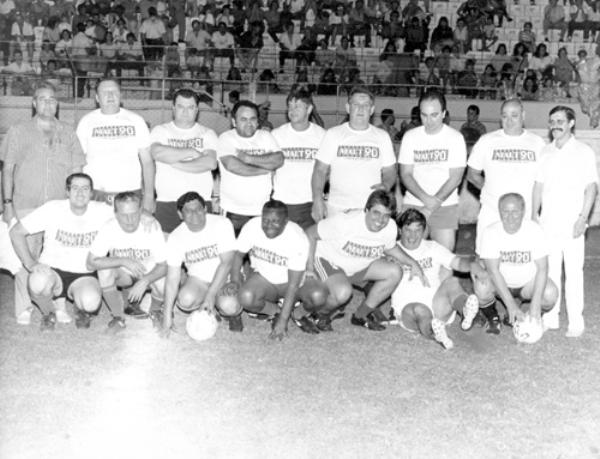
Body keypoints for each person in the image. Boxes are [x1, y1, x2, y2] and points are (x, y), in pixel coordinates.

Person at [1, 81, 86, 325]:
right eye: (43, 99)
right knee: (25, 256)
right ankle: (24, 307)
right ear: (34, 102)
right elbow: (7, 170)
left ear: (57, 104)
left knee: (59, 255)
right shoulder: (18, 130)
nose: (48, 103)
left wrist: (76, 206)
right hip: (25, 204)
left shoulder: (69, 132)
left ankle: (58, 305)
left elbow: (77, 170)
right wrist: (7, 203)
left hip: (60, 206)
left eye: (52, 100)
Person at [304, 190, 427, 332]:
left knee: (394, 272)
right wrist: (309, 269)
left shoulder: (390, 227)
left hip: (358, 264)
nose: (380, 220)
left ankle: (360, 316)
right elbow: (310, 233)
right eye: (376, 213)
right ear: (366, 210)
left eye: (386, 215)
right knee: (343, 293)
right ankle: (313, 314)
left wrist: (413, 263)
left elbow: (390, 248)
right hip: (330, 260)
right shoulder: (345, 222)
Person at [9, 173, 113, 330]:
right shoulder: (53, 208)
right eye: (75, 188)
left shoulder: (103, 211)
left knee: (90, 302)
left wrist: (146, 217)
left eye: (85, 189)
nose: (80, 193)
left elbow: (129, 216)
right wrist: (30, 263)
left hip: (84, 273)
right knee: (37, 282)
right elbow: (16, 232)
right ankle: (48, 311)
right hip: (53, 270)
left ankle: (81, 308)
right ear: (67, 191)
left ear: (92, 193)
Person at [532, 106, 598, 337]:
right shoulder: (545, 152)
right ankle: (551, 317)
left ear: (571, 123)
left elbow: (591, 188)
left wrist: (583, 218)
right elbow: (538, 186)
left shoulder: (584, 151)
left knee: (573, 273)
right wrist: (534, 215)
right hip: (548, 223)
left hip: (573, 224)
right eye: (552, 121)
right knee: (549, 272)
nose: (555, 125)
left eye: (560, 120)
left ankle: (576, 321)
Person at [391, 208, 488, 349]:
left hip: (437, 304)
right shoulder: (392, 250)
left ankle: (465, 310)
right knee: (419, 310)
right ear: (400, 231)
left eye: (418, 230)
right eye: (408, 230)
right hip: (407, 307)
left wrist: (473, 265)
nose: (413, 235)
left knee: (452, 281)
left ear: (424, 231)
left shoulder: (432, 247)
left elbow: (457, 262)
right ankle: (436, 334)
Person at [467, 99, 546, 253]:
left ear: (523, 115)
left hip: (525, 214)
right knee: (485, 260)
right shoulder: (486, 141)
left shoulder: (537, 143)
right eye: (505, 116)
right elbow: (472, 175)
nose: (509, 121)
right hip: (492, 212)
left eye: (514, 116)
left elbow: (543, 180)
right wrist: (490, 191)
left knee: (523, 261)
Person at [232, 200, 319, 340]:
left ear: (286, 221)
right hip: (265, 279)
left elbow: (293, 285)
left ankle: (297, 313)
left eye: (275, 221)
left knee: (317, 295)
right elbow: (237, 255)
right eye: (265, 220)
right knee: (246, 297)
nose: (268, 226)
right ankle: (275, 311)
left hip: (290, 284)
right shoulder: (252, 226)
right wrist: (235, 281)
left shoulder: (296, 237)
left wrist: (283, 322)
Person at [311, 86, 396, 221]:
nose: (361, 109)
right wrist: (317, 200)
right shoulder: (333, 134)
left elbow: (390, 170)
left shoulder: (382, 136)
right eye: (356, 104)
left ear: (372, 110)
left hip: (369, 210)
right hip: (337, 208)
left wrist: (386, 185)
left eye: (366, 105)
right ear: (347, 107)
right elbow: (319, 170)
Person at [87, 191, 167, 333]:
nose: (130, 220)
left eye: (134, 214)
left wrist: (145, 281)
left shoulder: (151, 226)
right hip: (124, 275)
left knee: (165, 279)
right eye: (124, 215)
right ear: (116, 214)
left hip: (148, 272)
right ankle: (118, 317)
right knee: (104, 269)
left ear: (141, 211)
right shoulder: (109, 227)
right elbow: (91, 262)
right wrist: (124, 261)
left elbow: (164, 265)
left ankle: (155, 310)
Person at [480, 193, 558, 336]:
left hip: (527, 285)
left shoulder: (534, 230)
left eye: (515, 211)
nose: (510, 217)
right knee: (481, 286)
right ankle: (494, 316)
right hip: (501, 285)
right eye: (505, 211)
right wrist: (511, 305)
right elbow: (493, 271)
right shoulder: (490, 232)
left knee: (550, 293)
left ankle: (529, 315)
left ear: (523, 211)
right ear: (499, 212)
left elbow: (543, 268)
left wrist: (535, 304)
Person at [398, 89, 467, 251]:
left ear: (444, 113)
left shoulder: (455, 138)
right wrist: (425, 199)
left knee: (444, 262)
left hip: (445, 205)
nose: (429, 121)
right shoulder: (410, 136)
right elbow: (405, 174)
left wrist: (433, 203)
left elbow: (456, 177)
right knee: (409, 259)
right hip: (414, 204)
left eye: (434, 115)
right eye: (424, 115)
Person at [161, 192, 236, 336]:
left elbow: (227, 263)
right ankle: (208, 309)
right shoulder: (175, 237)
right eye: (188, 211)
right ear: (180, 214)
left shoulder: (222, 223)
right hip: (198, 280)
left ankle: (228, 312)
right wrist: (167, 316)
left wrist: (211, 295)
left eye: (198, 209)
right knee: (185, 300)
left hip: (224, 278)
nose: (194, 214)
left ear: (205, 209)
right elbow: (172, 279)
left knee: (229, 306)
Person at [76, 78, 155, 213]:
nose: (110, 96)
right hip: (96, 194)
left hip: (130, 194)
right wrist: (78, 194)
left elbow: (147, 162)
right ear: (97, 98)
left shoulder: (136, 121)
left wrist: (149, 196)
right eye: (105, 92)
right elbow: (77, 162)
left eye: (114, 91)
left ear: (121, 95)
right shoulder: (86, 122)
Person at [150, 89, 218, 233]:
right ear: (173, 108)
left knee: (200, 250)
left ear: (197, 110)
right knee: (167, 250)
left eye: (190, 107)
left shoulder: (207, 133)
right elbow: (157, 153)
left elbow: (210, 163)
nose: (185, 112)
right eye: (181, 106)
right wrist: (191, 152)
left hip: (200, 202)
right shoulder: (160, 130)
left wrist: (174, 162)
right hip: (167, 201)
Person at [216, 100, 284, 236]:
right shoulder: (226, 138)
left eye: (253, 119)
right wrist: (265, 168)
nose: (249, 123)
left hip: (262, 210)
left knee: (259, 255)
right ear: (234, 121)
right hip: (233, 211)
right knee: (233, 255)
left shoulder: (266, 136)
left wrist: (249, 158)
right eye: (243, 119)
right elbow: (234, 166)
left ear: (258, 121)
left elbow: (278, 159)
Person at [271, 88, 326, 230]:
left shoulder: (322, 136)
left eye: (297, 106)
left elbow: (328, 169)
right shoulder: (276, 135)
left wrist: (319, 198)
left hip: (310, 201)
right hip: (283, 201)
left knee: (309, 245)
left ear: (309, 109)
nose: (292, 110)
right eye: (289, 106)